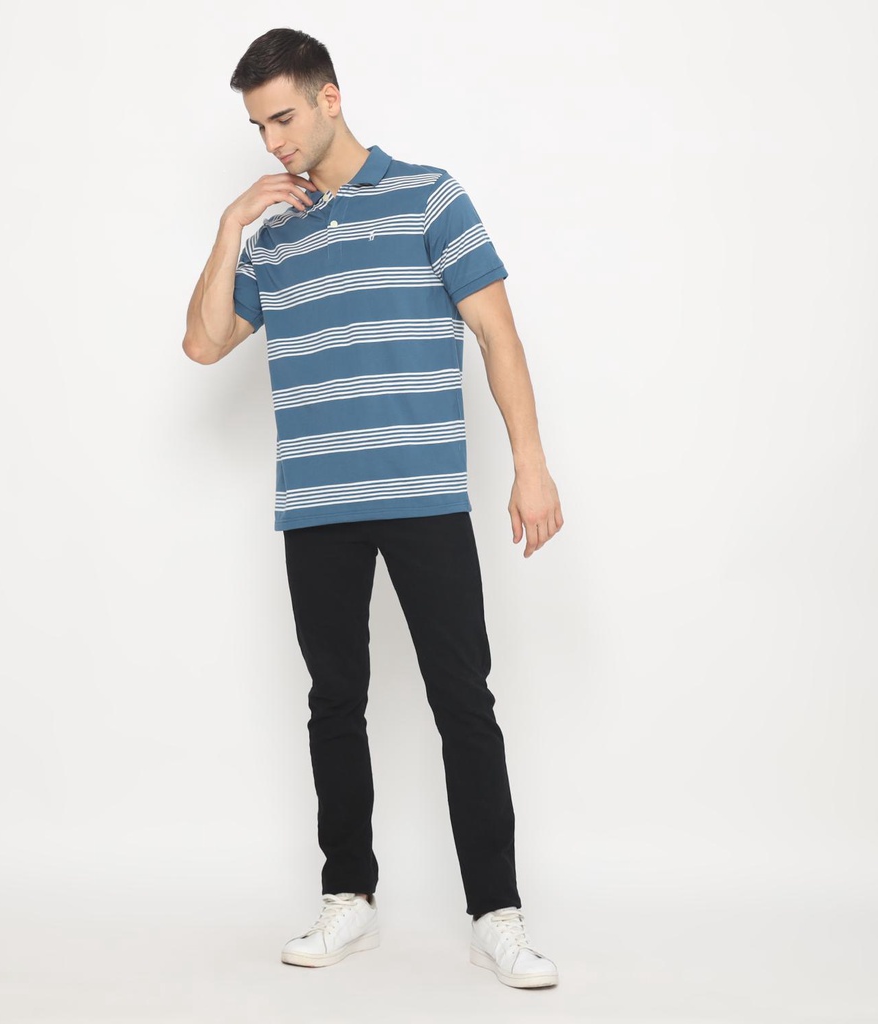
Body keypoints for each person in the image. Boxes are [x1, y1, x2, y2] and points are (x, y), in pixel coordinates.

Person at [182, 28, 564, 989]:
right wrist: (229, 227)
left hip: (425, 494)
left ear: (330, 97)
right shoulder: (273, 237)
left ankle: (497, 914)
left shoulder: (429, 196)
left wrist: (531, 465)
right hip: (317, 505)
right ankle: (347, 896)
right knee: (333, 704)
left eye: (283, 117)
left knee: (463, 700)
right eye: (258, 127)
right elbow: (204, 343)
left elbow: (498, 333)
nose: (273, 141)